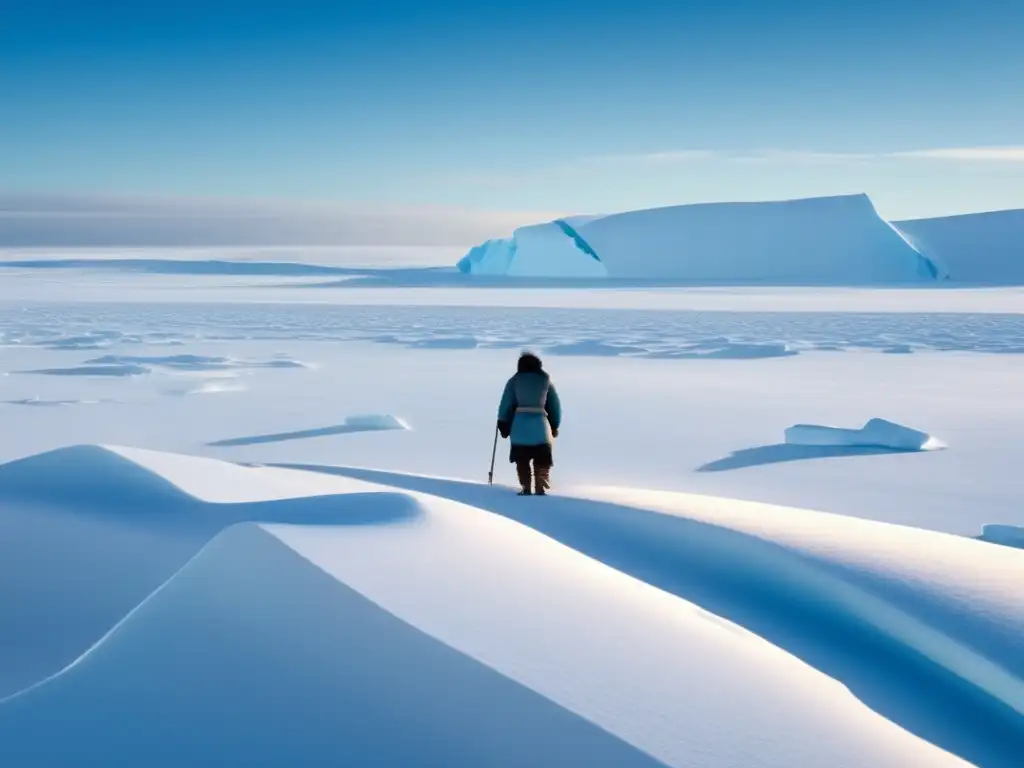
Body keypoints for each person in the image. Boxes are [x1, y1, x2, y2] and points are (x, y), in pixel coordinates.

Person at [496, 352, 562, 495]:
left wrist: (503, 424)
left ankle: (526, 487)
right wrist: (555, 425)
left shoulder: (514, 381)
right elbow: (555, 406)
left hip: (519, 429)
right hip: (541, 428)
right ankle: (541, 487)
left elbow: (505, 404)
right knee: (542, 461)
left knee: (522, 461)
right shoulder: (545, 381)